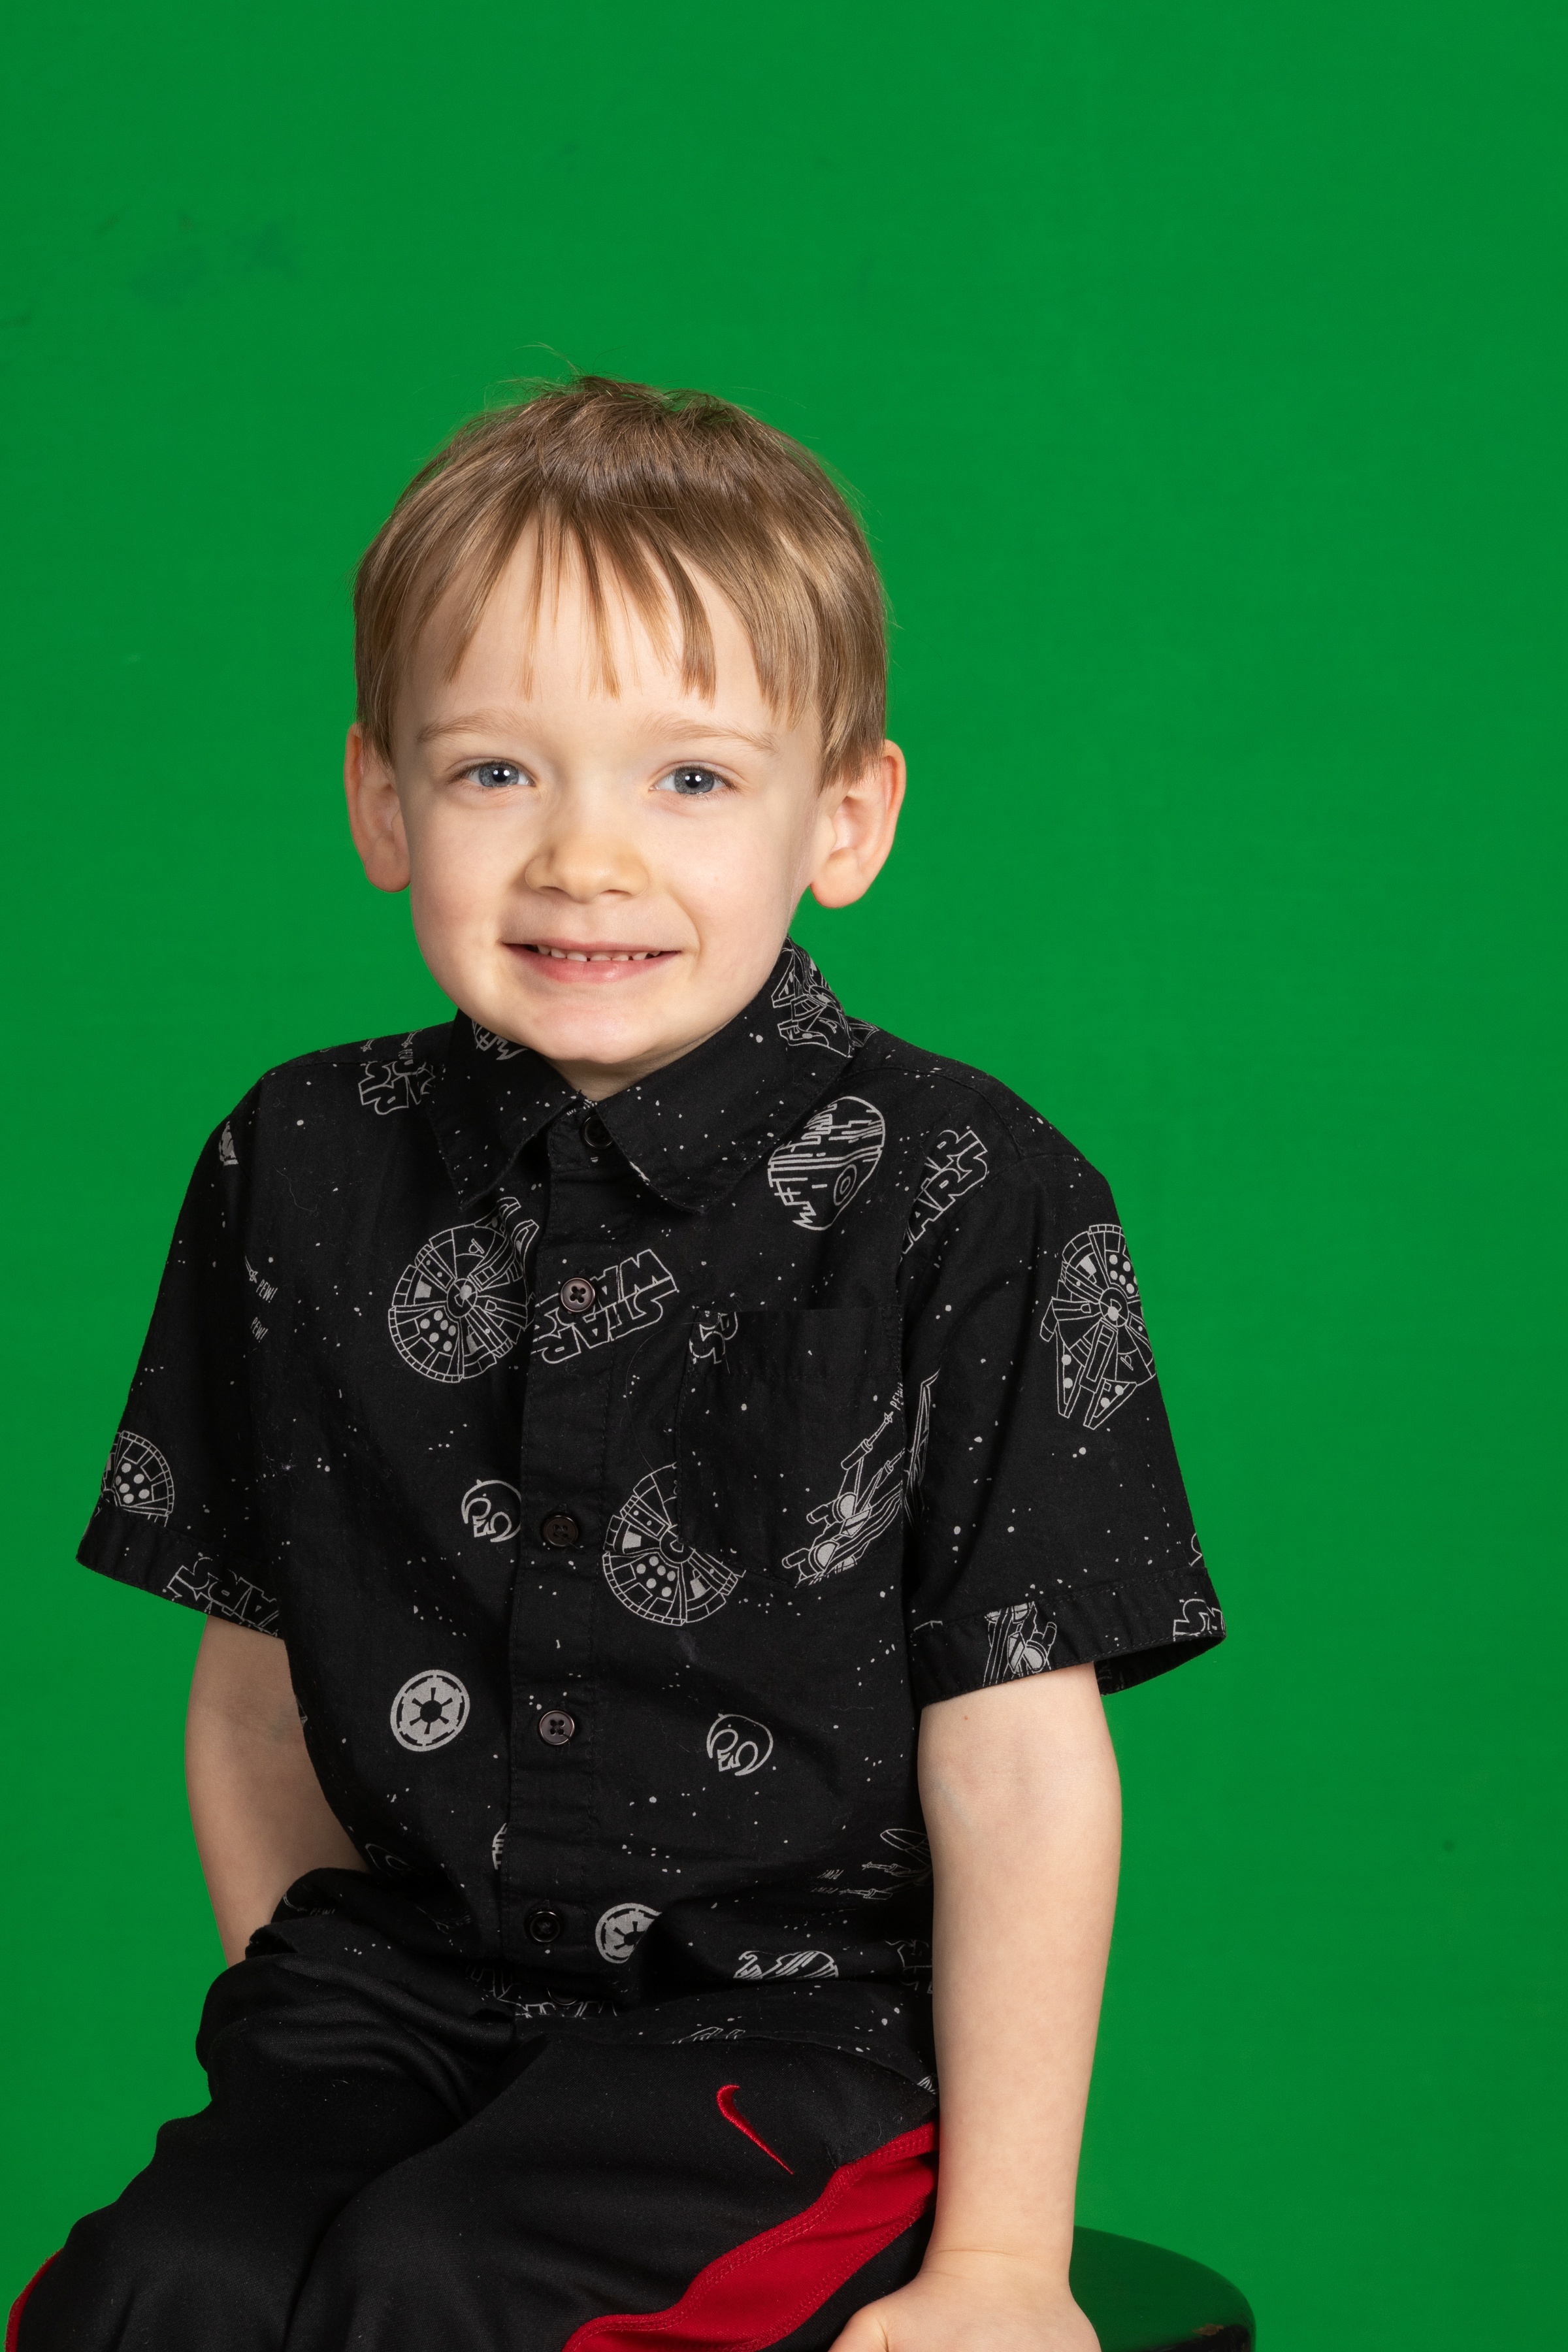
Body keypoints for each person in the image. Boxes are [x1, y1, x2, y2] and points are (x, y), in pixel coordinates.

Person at [14, 378, 1225, 2352]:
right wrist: (310, 2077)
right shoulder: (294, 1165)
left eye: (691, 780)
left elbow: (1021, 1767)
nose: (587, 857)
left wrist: (1004, 2262)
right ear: (381, 802)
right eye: (498, 771)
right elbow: (253, 1686)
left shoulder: (972, 1195)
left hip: (791, 2033)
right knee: (159, 2292)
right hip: (393, 2000)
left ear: (845, 819)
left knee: (440, 2286)